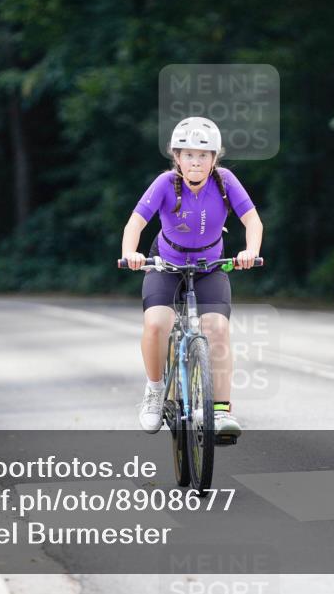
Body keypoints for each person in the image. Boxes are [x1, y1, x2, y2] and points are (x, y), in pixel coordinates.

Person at [121, 117, 264, 441]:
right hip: (165, 262)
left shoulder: (226, 181)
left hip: (210, 266)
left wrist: (249, 251)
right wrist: (131, 253)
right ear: (177, 157)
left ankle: (222, 411)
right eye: (188, 155)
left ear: (214, 158)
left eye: (203, 155)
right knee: (157, 322)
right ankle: (155, 391)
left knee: (217, 328)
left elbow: (253, 221)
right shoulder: (165, 183)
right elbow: (134, 224)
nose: (195, 161)